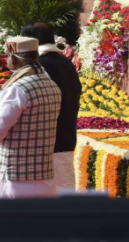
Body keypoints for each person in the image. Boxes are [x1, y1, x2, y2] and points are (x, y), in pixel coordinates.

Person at [0, 36, 62, 212]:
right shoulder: (51, 84)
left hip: (9, 177)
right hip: (42, 176)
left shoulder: (17, 89)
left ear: (14, 58)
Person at [20, 23, 80, 191]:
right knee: (64, 191)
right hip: (66, 137)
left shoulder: (40, 66)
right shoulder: (66, 63)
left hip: (44, 141)